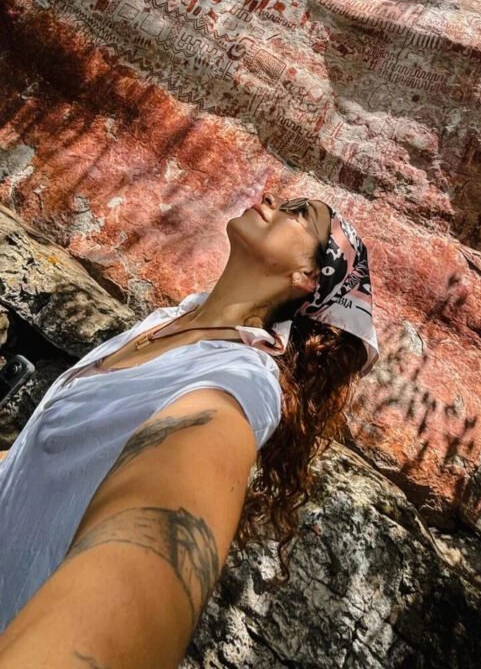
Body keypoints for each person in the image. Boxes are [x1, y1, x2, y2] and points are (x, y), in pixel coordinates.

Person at [0, 191, 378, 669]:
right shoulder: (167, 322)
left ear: (306, 277)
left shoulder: (240, 383)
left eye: (300, 214)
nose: (271, 200)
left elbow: (153, 546)